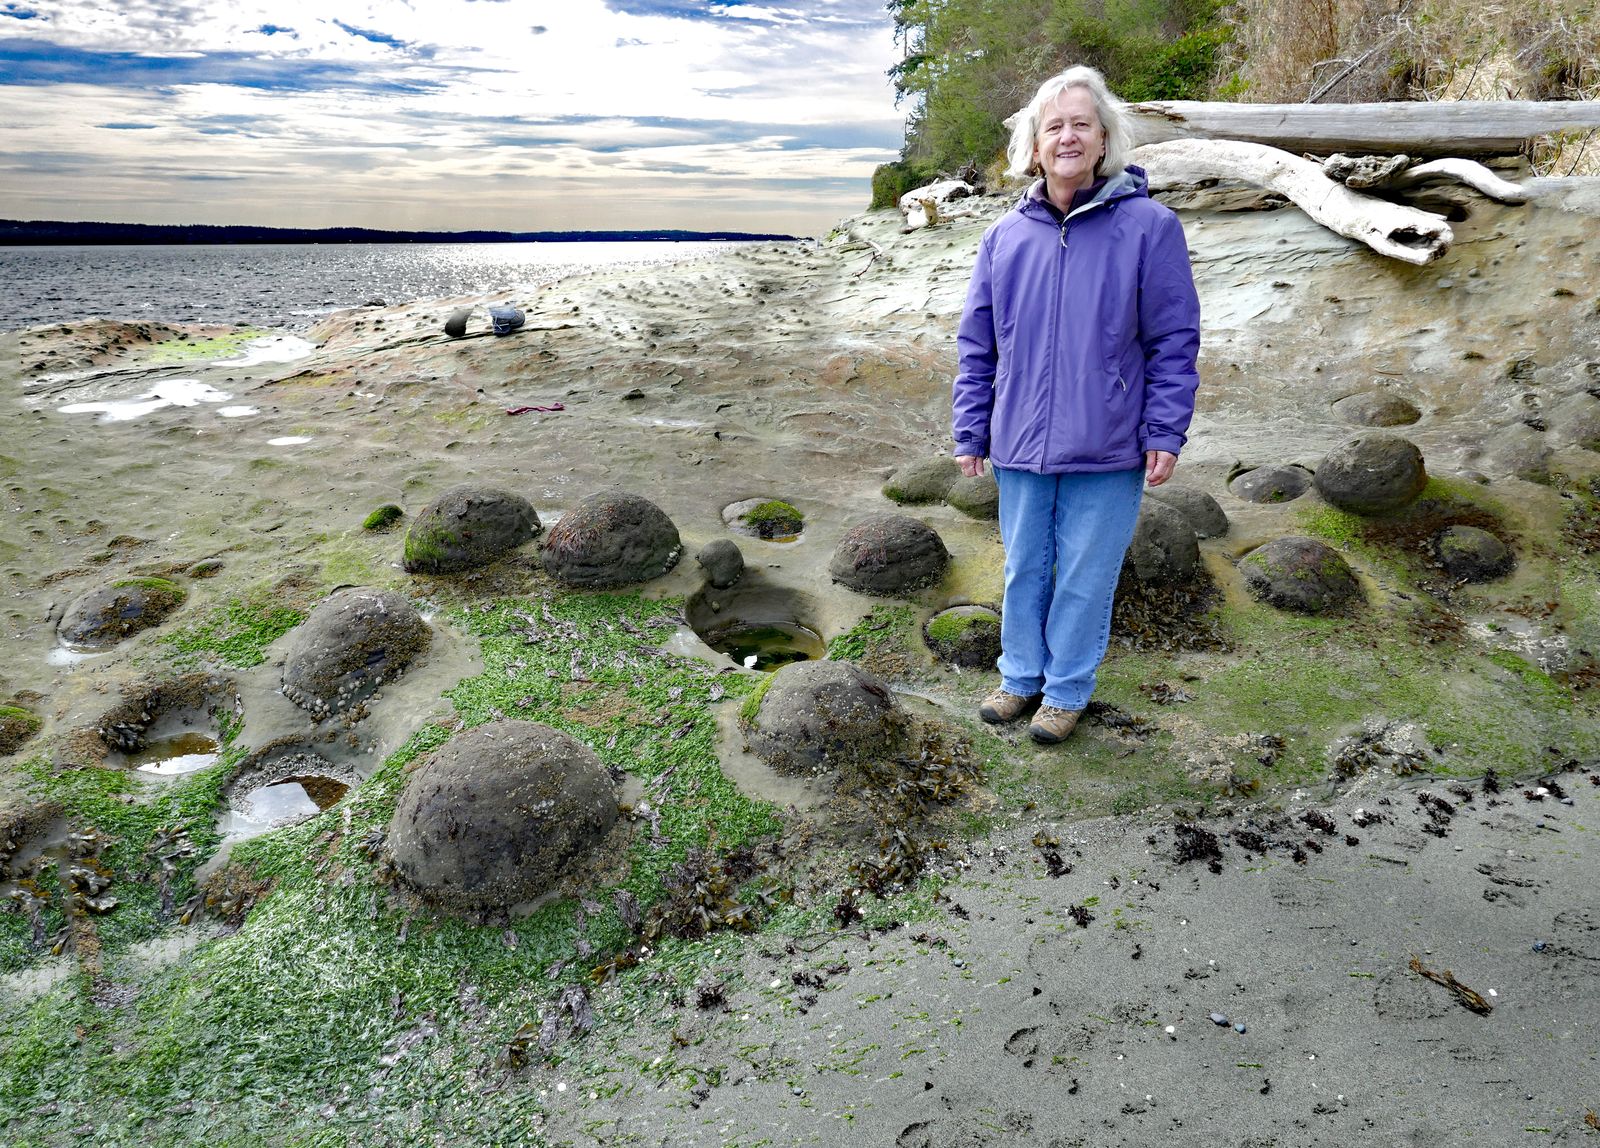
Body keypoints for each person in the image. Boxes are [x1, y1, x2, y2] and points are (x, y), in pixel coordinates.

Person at [951, 64, 1200, 744]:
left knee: (1087, 576)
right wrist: (972, 428)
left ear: (1103, 141)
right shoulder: (1004, 239)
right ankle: (1019, 677)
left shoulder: (1151, 227)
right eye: (1053, 126)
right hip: (1021, 441)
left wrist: (1165, 430)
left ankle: (1065, 692)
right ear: (1034, 145)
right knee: (1024, 564)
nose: (1067, 137)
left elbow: (1175, 340)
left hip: (1109, 440)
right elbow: (978, 343)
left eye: (1080, 125)